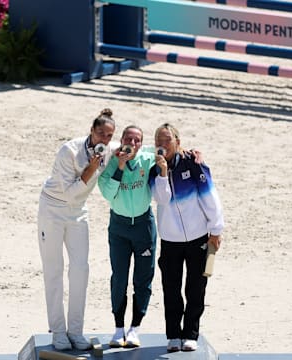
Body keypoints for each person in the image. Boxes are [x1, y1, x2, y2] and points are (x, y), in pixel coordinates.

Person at [37, 108, 118, 351]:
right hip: (53, 209)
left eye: (109, 136)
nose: (104, 139)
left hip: (78, 212)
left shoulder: (108, 150)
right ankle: (58, 331)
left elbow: (134, 149)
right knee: (54, 269)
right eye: (101, 134)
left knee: (80, 270)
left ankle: (76, 330)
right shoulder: (68, 150)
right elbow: (70, 194)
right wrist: (91, 168)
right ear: (91, 131)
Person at [148, 123, 224, 352]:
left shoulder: (194, 164)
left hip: (198, 236)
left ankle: (191, 333)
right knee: (171, 288)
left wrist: (216, 229)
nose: (162, 145)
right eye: (159, 141)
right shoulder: (154, 171)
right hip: (170, 240)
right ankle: (173, 334)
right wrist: (162, 172)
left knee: (196, 287)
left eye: (167, 140)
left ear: (178, 142)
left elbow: (209, 196)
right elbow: (162, 199)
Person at [97, 125, 156, 348]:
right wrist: (120, 166)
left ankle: (135, 328)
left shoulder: (147, 159)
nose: (132, 143)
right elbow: (108, 194)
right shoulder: (110, 164)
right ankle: (118, 327)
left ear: (141, 143)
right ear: (121, 140)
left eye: (137, 140)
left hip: (143, 226)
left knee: (143, 279)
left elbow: (166, 150)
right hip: (119, 227)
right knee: (119, 278)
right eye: (128, 139)